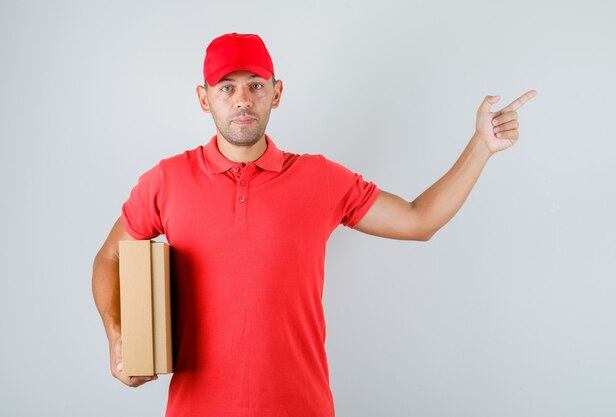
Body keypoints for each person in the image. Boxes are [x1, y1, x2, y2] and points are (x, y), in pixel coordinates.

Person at [92, 32, 536, 416]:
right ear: (203, 98)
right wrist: (117, 334)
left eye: (255, 85)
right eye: (226, 87)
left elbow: (419, 220)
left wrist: (481, 146)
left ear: (277, 92)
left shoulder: (319, 178)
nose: (242, 99)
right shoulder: (167, 180)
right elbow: (109, 256)